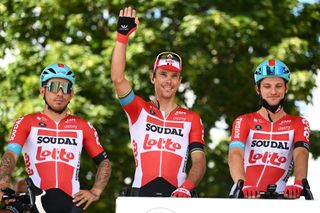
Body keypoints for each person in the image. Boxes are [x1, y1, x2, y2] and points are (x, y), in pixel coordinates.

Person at [111, 7, 206, 197]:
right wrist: (122, 38)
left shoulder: (191, 118)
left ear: (179, 81)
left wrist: (187, 186)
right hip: (141, 192)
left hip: (179, 194)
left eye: (174, 76)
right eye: (163, 74)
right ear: (152, 78)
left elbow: (199, 161)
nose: (168, 81)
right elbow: (118, 79)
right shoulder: (138, 109)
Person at [0, 63, 111, 212]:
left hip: (71, 204)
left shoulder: (83, 125)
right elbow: (11, 155)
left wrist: (96, 191)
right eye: (53, 86)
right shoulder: (27, 122)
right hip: (37, 201)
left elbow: (104, 162)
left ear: (71, 94)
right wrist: (4, 181)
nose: (59, 93)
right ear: (42, 91)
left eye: (65, 88)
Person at [228, 59, 310, 199]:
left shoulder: (299, 123)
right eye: (267, 86)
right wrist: (243, 183)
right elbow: (235, 154)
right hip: (245, 195)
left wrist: (298, 182)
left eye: (278, 86)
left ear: (286, 88)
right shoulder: (243, 121)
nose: (273, 91)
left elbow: (301, 154)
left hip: (280, 198)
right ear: (258, 89)